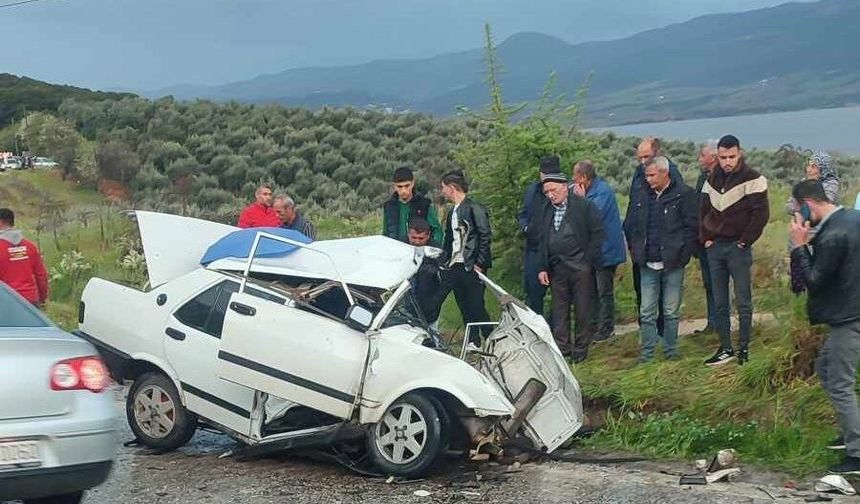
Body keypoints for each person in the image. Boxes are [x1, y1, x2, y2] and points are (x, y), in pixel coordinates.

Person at [789, 179, 860, 475]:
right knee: (826, 368)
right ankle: (851, 430)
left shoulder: (831, 235)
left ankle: (856, 454)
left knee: (841, 382)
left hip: (848, 316)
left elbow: (815, 281)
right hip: (850, 309)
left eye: (798, 209)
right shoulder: (853, 218)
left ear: (807, 204)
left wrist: (800, 247)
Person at [700, 135, 769, 366]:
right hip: (716, 247)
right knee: (720, 301)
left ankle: (744, 348)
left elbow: (761, 214)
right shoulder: (711, 179)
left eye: (731, 156)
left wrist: (745, 241)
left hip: (738, 248)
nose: (727, 161)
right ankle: (725, 348)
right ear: (717, 157)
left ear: (739, 153)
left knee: (743, 300)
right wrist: (707, 238)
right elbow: (702, 210)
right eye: (723, 157)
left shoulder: (754, 179)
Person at [624, 157, 698, 362]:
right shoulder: (641, 196)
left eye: (651, 175)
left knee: (670, 311)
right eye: (646, 175)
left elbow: (691, 228)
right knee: (647, 311)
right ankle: (647, 355)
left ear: (665, 173)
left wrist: (683, 256)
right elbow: (630, 224)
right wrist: (636, 250)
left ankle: (671, 352)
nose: (647, 179)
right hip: (647, 263)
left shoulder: (684, 195)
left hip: (673, 264)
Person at [537, 172, 605, 363]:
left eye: (553, 190)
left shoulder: (584, 206)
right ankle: (562, 348)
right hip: (557, 267)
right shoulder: (546, 209)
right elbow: (541, 240)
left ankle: (581, 349)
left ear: (564, 186)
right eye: (547, 191)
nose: (550, 195)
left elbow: (597, 234)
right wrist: (542, 267)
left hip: (580, 266)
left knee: (583, 309)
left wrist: (588, 261)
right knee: (559, 309)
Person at [629, 137, 682, 337]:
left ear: (658, 154)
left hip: (663, 248)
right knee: (643, 293)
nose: (643, 162)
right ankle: (648, 336)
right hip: (642, 246)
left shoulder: (672, 176)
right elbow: (634, 207)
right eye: (640, 158)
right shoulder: (638, 175)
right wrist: (632, 238)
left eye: (647, 157)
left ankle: (665, 337)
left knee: (665, 298)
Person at [572, 160, 626, 341]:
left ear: (584, 177)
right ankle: (593, 326)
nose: (573, 180)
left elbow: (592, 216)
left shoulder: (602, 191)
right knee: (592, 290)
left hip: (606, 250)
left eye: (576, 176)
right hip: (595, 250)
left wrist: (579, 199)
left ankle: (606, 328)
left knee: (604, 291)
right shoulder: (592, 191)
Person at [438, 170, 492, 346]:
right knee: (463, 304)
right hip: (456, 264)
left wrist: (480, 262)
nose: (442, 191)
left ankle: (492, 338)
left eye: (443, 187)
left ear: (452, 187)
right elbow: (449, 239)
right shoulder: (452, 211)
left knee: (476, 304)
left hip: (471, 264)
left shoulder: (474, 208)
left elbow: (484, 234)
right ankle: (473, 341)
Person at [517, 155, 561, 315]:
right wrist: (525, 228)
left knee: (559, 296)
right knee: (533, 295)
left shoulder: (564, 191)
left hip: (556, 252)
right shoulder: (532, 191)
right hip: (534, 250)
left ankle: (557, 334)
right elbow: (522, 214)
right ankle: (536, 331)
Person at [694, 140, 720, 334]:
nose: (699, 159)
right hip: (703, 239)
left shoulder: (724, 178)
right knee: (709, 282)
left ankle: (722, 322)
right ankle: (712, 322)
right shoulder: (702, 178)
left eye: (702, 155)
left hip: (719, 240)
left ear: (713, 157)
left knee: (719, 282)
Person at [0, 208, 49, 306]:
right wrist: (42, 297)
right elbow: (41, 276)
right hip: (30, 301)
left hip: (7, 302)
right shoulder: (30, 246)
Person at [382, 166, 443, 245]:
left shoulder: (424, 204)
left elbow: (437, 230)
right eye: (399, 186)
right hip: (396, 251)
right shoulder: (389, 206)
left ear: (413, 183)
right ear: (394, 186)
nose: (403, 190)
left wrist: (432, 249)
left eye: (407, 186)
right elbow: (386, 233)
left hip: (419, 250)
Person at [407, 218, 443, 328]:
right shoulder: (399, 245)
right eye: (414, 238)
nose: (417, 242)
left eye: (421, 238)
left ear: (428, 236)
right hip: (405, 301)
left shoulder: (437, 251)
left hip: (429, 301)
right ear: (408, 234)